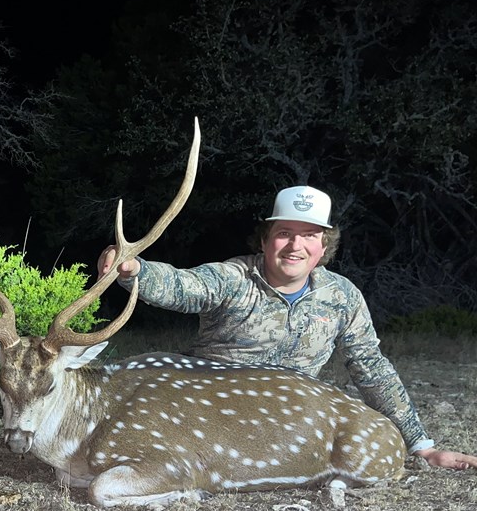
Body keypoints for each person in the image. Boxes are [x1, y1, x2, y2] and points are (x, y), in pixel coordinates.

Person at [97, 185, 477, 471]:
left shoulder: (341, 296)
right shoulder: (233, 277)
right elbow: (183, 287)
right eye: (284, 232)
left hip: (281, 420)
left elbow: (372, 369)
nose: (295, 245)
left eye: (309, 235)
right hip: (206, 410)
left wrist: (422, 446)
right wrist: (135, 272)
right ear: (265, 239)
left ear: (324, 245)